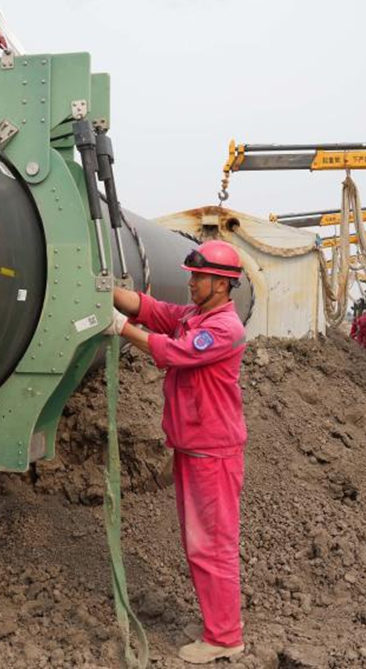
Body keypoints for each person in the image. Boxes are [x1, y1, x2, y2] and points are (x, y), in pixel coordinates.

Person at [106, 240, 247, 664]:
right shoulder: (195, 315)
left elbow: (173, 353)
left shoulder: (223, 329)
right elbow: (152, 310)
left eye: (198, 276)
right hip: (193, 447)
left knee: (212, 545)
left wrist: (120, 329)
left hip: (213, 452)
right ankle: (215, 622)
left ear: (221, 285)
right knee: (197, 542)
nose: (190, 281)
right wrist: (107, 290)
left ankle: (224, 637)